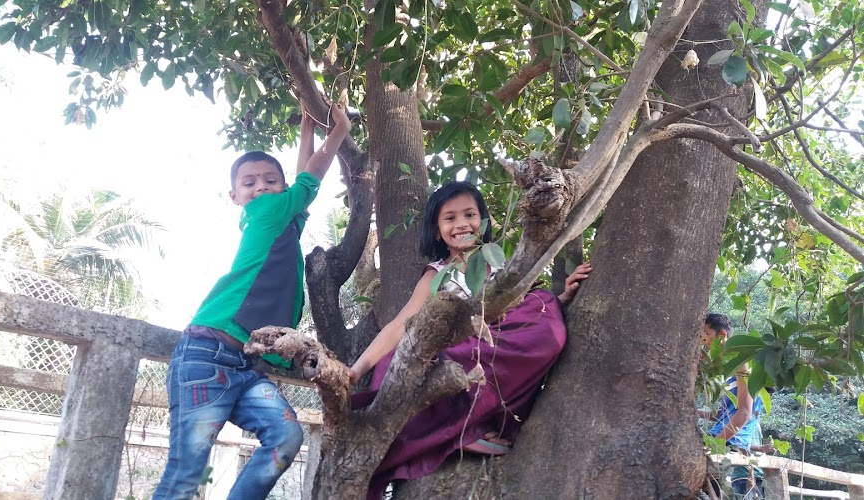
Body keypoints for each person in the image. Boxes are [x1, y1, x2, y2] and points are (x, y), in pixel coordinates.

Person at [152, 102, 351, 499]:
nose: (260, 187)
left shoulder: (283, 221)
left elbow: (299, 182)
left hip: (243, 365)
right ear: (235, 196)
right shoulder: (265, 211)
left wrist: (308, 126)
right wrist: (339, 130)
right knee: (186, 474)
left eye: (269, 180)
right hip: (207, 356)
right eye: (250, 182)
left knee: (285, 436)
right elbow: (309, 178)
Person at [349, 180, 592, 498]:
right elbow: (400, 325)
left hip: (495, 352)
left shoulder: (501, 264)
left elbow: (525, 314)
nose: (461, 224)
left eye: (469, 215)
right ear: (437, 231)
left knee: (543, 305)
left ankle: (485, 424)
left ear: (483, 221)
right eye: (450, 218)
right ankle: (462, 432)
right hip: (456, 356)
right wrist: (357, 369)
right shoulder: (436, 273)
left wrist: (560, 300)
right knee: (399, 363)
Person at [698, 313, 766, 498]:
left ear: (721, 335)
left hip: (732, 443)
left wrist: (714, 444)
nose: (703, 340)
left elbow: (744, 413)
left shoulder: (742, 366)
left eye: (706, 334)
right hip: (718, 438)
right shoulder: (725, 370)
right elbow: (723, 414)